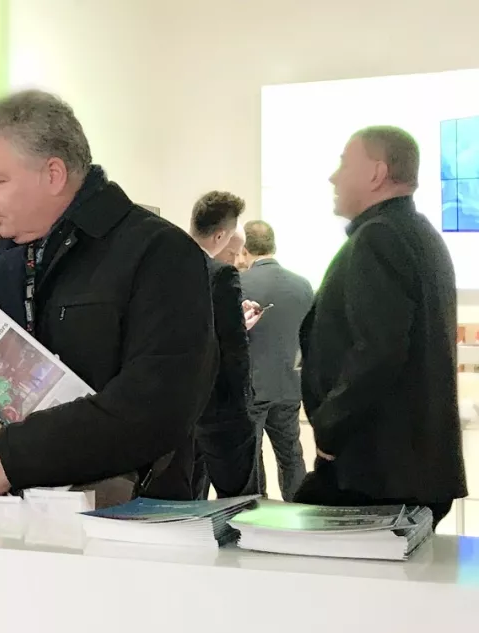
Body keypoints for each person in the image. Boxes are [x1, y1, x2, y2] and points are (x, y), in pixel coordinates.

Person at [0, 90, 216, 505]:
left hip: (120, 523)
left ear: (53, 175)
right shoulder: (0, 264)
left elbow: (159, 404)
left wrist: (16, 454)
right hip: (0, 519)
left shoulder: (159, 253)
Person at [297, 126, 465, 526]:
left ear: (376, 173)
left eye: (344, 164)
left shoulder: (379, 238)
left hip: (375, 471)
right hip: (406, 468)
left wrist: (329, 428)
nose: (333, 177)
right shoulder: (417, 234)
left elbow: (378, 349)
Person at [188, 191, 258, 499]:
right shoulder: (221, 275)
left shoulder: (159, 265)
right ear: (220, 236)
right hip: (219, 409)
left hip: (176, 411)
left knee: (188, 498)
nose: (238, 259)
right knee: (240, 501)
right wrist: (243, 406)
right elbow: (234, 352)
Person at [240, 220, 313, 501]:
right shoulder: (302, 285)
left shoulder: (239, 283)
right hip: (290, 385)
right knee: (291, 455)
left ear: (245, 249)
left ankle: (257, 513)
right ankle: (299, 508)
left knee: (252, 457)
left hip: (252, 388)